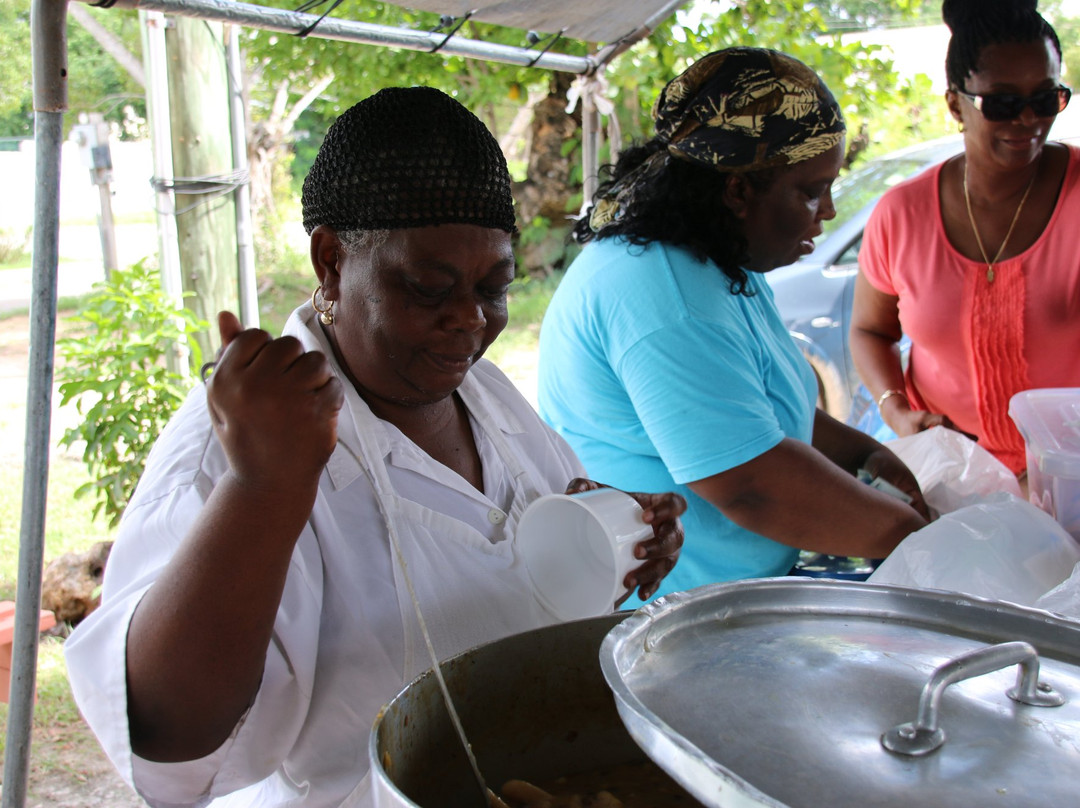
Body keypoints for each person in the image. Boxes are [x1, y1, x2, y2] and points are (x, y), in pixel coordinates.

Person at [63, 86, 686, 808]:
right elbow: (169, 740)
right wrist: (264, 488)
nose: (470, 321)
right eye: (428, 288)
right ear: (331, 260)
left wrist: (610, 541)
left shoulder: (486, 397)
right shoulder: (231, 450)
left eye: (494, 288)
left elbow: (524, 576)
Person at [537, 47, 929, 602]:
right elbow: (752, 487)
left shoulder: (718, 259)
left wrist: (865, 454)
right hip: (669, 611)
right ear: (739, 190)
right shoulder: (666, 295)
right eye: (811, 191)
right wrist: (922, 539)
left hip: (737, 592)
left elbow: (757, 408)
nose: (828, 211)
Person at [850, 0, 1080, 476]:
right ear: (955, 103)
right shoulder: (901, 215)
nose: (1028, 120)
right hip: (953, 476)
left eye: (1045, 99)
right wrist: (896, 410)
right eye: (1002, 103)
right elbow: (871, 331)